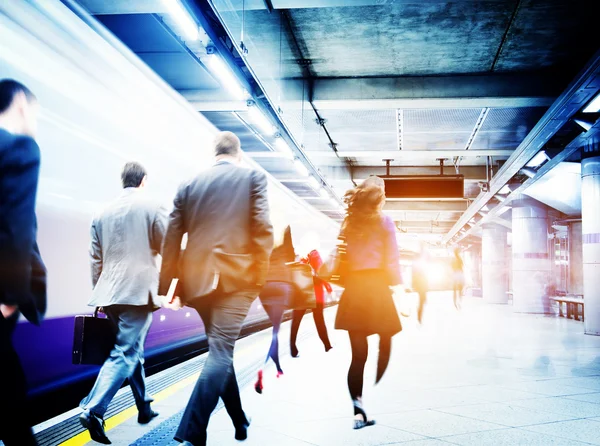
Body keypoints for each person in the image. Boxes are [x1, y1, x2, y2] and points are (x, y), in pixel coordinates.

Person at [159, 131, 273, 446]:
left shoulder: (189, 184)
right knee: (221, 352)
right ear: (238, 154)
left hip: (198, 283)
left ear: (215, 153)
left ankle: (239, 420)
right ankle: (192, 431)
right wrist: (259, 277)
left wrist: (170, 285)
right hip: (236, 280)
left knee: (219, 352)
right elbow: (263, 230)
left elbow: (172, 238)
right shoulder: (252, 177)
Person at [79, 162, 165, 444]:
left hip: (109, 293)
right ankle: (93, 409)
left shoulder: (101, 211)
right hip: (137, 292)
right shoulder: (151, 205)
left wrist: (100, 294)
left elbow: (95, 258)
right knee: (125, 353)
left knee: (132, 350)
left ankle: (144, 407)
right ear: (143, 181)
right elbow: (168, 246)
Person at [334, 175, 402, 430]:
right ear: (380, 196)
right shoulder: (384, 221)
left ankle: (358, 411)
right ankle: (381, 365)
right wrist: (396, 282)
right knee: (387, 335)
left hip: (354, 290)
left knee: (357, 356)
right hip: (376, 288)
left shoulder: (348, 222)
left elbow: (342, 254)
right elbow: (392, 257)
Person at [0, 79, 46, 446]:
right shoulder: (20, 149)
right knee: (11, 399)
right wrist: (11, 296)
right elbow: (16, 228)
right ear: (19, 106)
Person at [254, 225, 295, 394]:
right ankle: (263, 367)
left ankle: (278, 367)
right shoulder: (284, 227)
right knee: (275, 331)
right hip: (281, 283)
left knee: (274, 329)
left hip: (264, 284)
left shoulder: (260, 225)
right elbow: (291, 255)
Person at [289, 249, 333, 357]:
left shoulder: (298, 258)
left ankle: (293, 348)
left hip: (302, 293)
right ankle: (327, 346)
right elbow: (322, 271)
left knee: (296, 321)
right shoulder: (314, 254)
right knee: (319, 321)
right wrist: (327, 286)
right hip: (315, 294)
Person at [412, 247, 429, 324]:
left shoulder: (416, 265)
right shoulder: (419, 265)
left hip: (421, 284)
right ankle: (419, 316)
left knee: (422, 300)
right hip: (421, 284)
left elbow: (414, 275)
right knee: (422, 301)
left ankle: (419, 315)